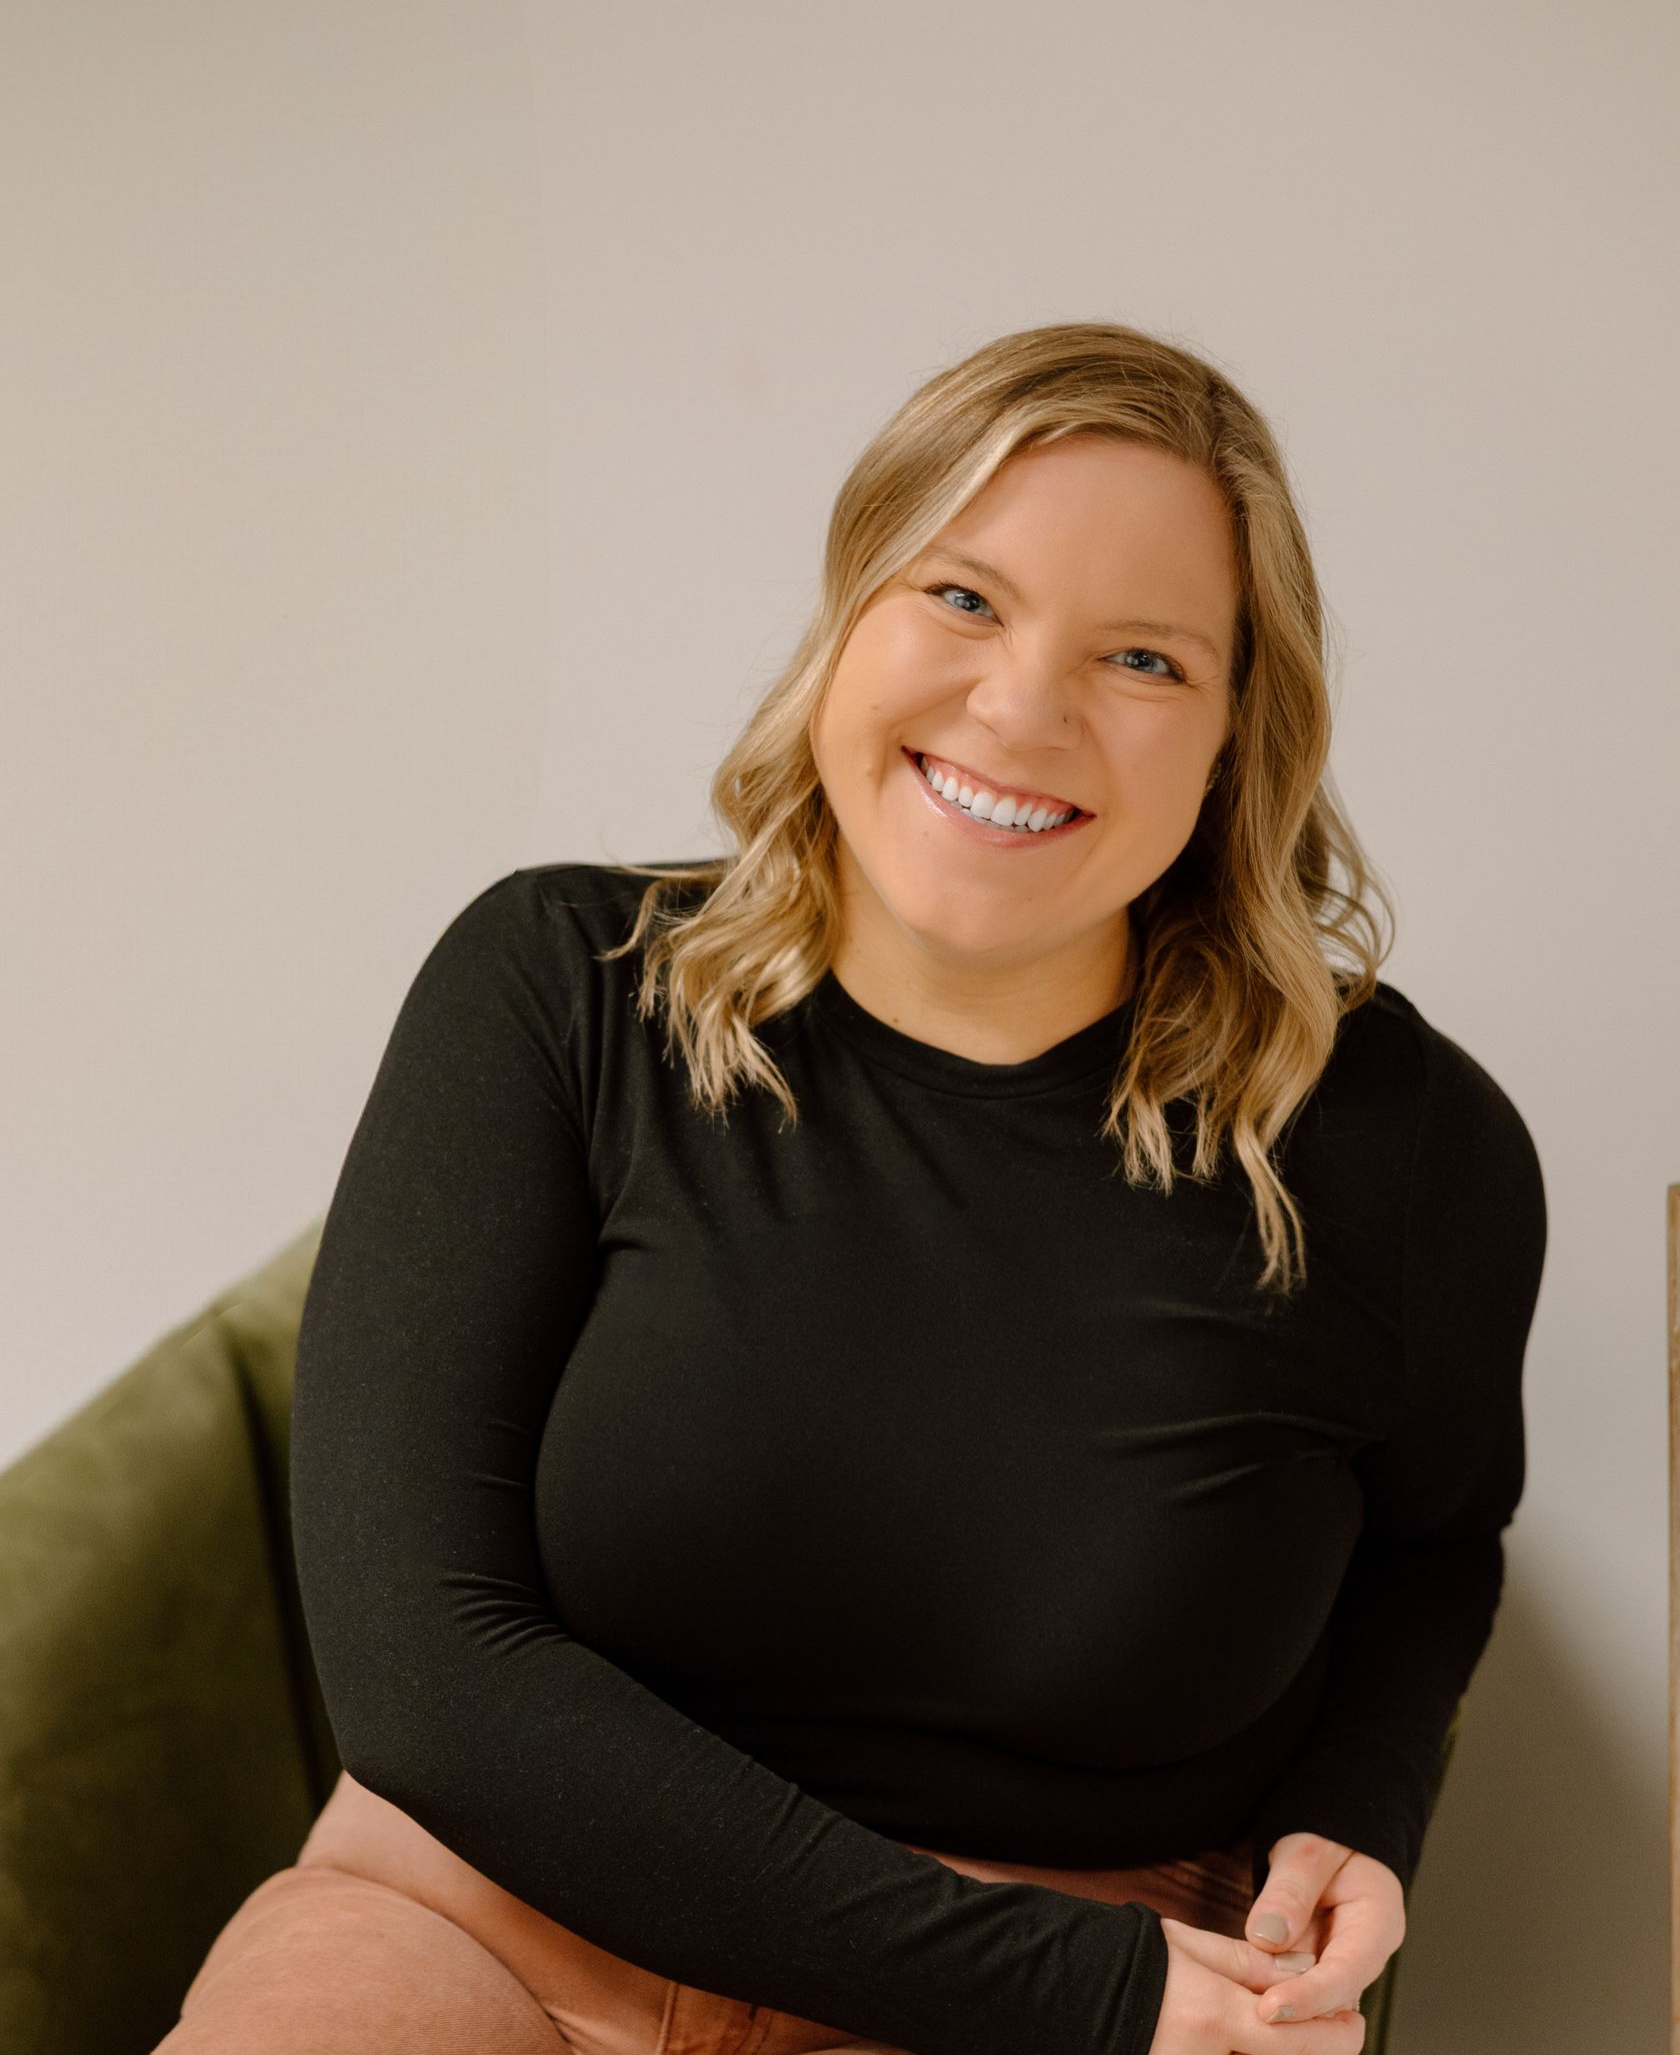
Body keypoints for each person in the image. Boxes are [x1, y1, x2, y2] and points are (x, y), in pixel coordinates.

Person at [154, 321, 1547, 2055]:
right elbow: (424, 1678)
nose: (1021, 708)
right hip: (487, 1914)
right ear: (849, 615)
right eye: (963, 597)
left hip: (1068, 1957)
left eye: (1142, 656)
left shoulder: (1396, 1144)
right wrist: (1075, 1991)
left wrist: (1358, 1807)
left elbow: (1431, 1541)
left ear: (1235, 738)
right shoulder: (558, 987)